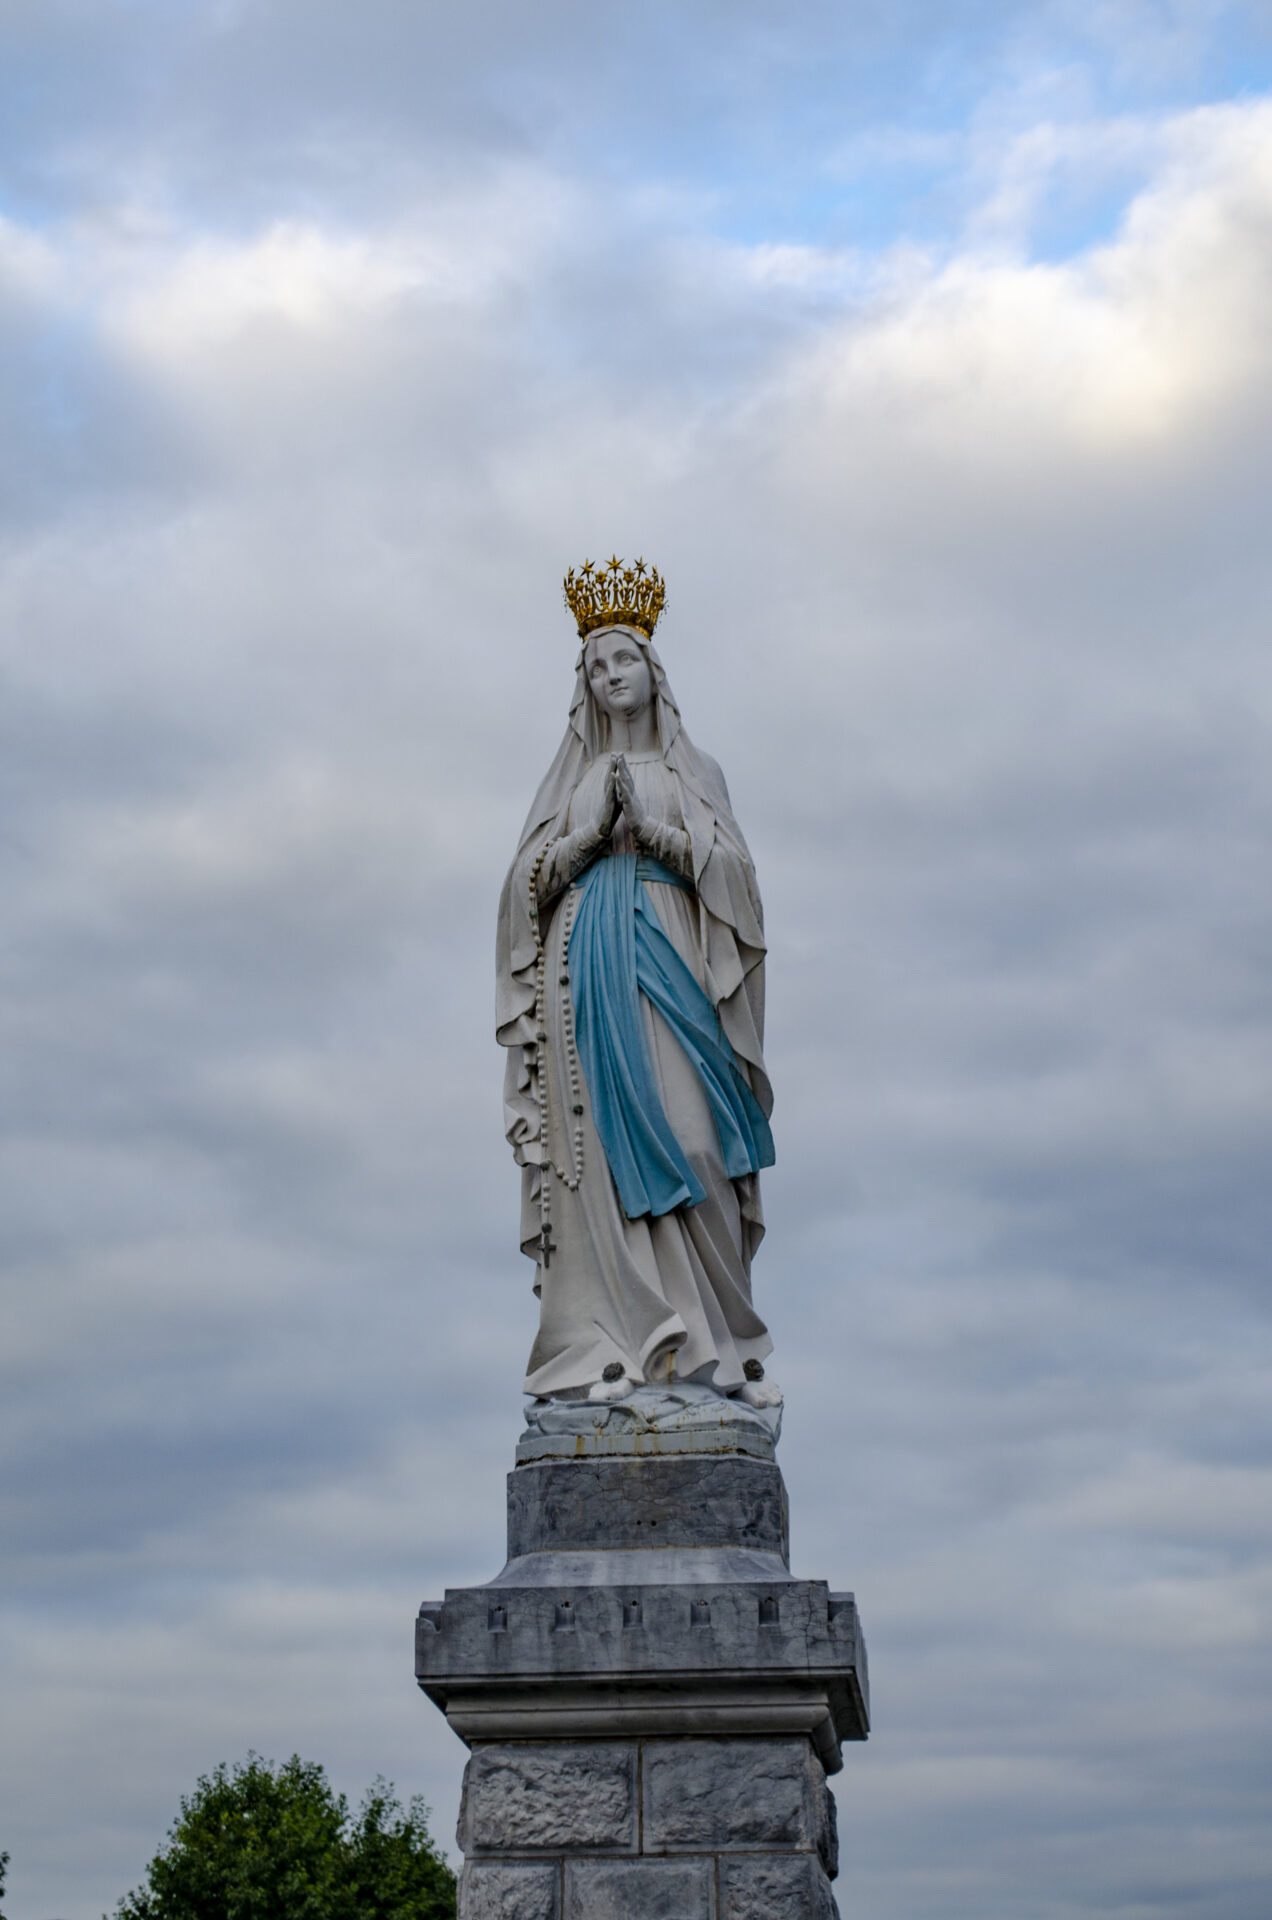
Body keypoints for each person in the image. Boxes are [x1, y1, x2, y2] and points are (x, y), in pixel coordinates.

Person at [496, 560, 780, 1409]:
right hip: (587, 970)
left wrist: (655, 833)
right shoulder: (570, 782)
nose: (608, 675)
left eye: (622, 660)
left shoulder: (699, 773)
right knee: (604, 1171)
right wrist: (585, 846)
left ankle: (716, 1346)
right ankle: (617, 1347)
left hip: (674, 961)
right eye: (594, 666)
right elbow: (520, 890)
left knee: (697, 1141)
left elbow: (740, 884)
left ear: (655, 672)